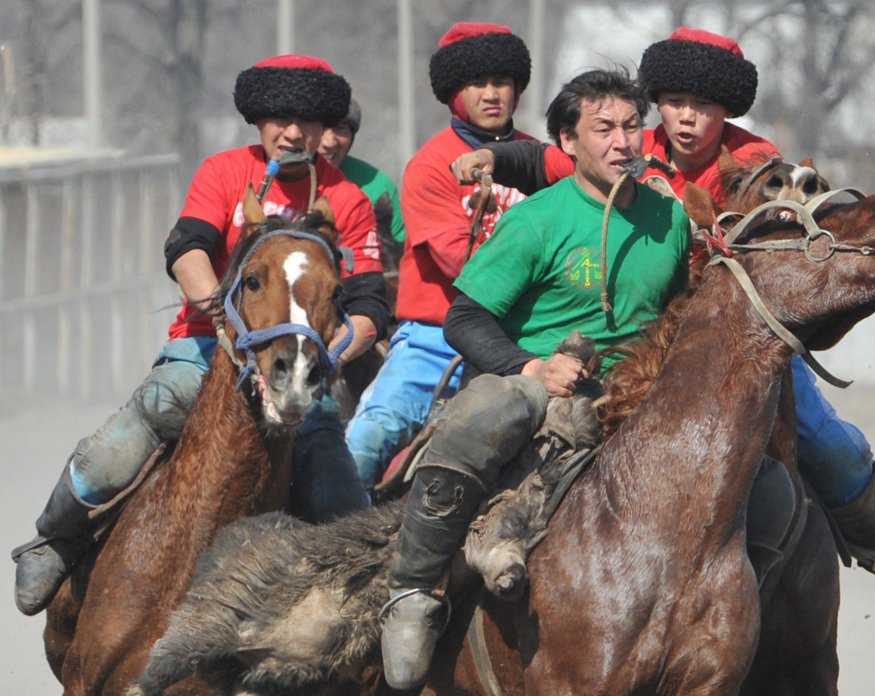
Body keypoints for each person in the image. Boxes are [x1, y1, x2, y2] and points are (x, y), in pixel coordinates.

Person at [452, 27, 875, 616]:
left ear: (729, 111)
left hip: (740, 336)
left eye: (705, 106)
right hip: (651, 340)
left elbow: (820, 216)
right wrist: (494, 155)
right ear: (657, 102)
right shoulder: (631, 145)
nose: (687, 118)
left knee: (818, 430)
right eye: (675, 103)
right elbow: (541, 155)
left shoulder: (759, 167)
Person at [11, 54, 387, 617]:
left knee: (340, 489)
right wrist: (222, 319)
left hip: (301, 365)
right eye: (280, 118)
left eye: (307, 121)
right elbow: (185, 247)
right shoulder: (223, 171)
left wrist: (324, 358)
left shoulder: (348, 199)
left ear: (326, 127)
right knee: (145, 418)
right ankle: (56, 537)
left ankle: (368, 608)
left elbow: (368, 305)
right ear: (259, 120)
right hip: (207, 346)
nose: (293, 132)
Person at [379, 67, 690, 690]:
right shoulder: (535, 221)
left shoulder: (670, 219)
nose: (621, 142)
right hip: (541, 384)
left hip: (639, 388)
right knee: (488, 409)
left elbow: (680, 313)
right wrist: (532, 367)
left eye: (632, 127)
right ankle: (413, 591)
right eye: (603, 128)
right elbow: (465, 318)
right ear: (568, 143)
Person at [344, 22, 536, 488]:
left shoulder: (538, 158)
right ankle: (317, 551)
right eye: (477, 83)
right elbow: (463, 266)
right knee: (364, 442)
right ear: (454, 93)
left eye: (502, 82)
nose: (492, 94)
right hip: (437, 339)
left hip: (527, 335)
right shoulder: (431, 165)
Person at [318, 97, 406, 266]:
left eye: (340, 128)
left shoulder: (377, 186)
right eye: (321, 127)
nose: (329, 142)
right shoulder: (272, 178)